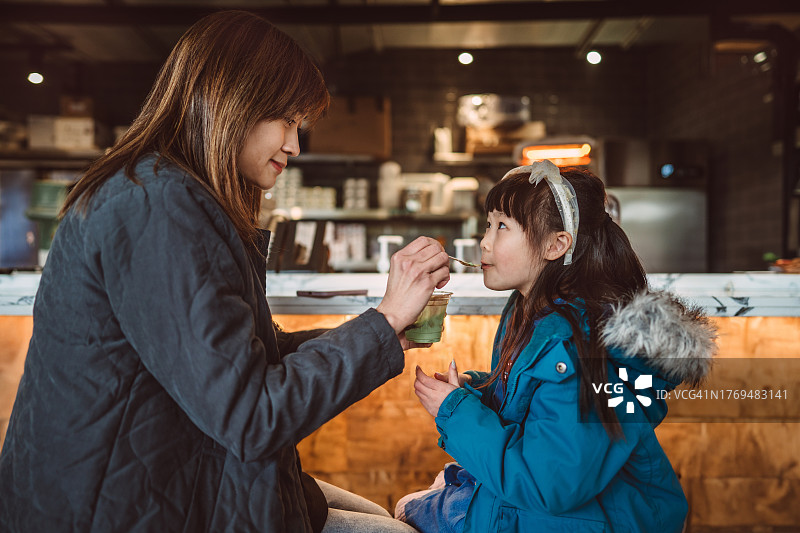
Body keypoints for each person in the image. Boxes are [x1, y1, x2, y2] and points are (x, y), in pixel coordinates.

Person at [0, 10, 446, 533]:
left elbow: (242, 359)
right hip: (118, 504)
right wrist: (384, 320)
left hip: (176, 472)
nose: (295, 145)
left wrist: (385, 328)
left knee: (383, 515)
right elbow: (252, 415)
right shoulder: (156, 205)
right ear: (230, 102)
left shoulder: (172, 193)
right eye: (285, 119)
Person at [395, 160, 717, 532]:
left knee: (407, 510)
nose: (485, 241)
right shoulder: (533, 312)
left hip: (589, 521)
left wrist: (455, 412)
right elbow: (539, 409)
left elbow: (551, 482)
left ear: (555, 244)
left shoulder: (577, 344)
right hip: (547, 514)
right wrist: (478, 391)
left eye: (502, 226)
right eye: (488, 224)